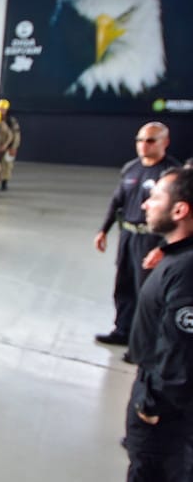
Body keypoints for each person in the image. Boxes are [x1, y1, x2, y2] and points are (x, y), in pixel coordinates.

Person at [123, 167, 193, 482]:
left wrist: (151, 404)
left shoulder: (185, 272)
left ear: (179, 210)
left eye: (155, 198)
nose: (145, 204)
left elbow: (180, 348)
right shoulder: (178, 257)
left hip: (164, 417)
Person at [94, 122, 179, 348]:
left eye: (150, 140)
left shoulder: (171, 175)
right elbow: (117, 200)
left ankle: (142, 343)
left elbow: (176, 216)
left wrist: (164, 247)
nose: (143, 145)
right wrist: (104, 229)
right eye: (140, 140)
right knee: (124, 285)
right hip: (128, 235)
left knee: (147, 292)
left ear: (165, 142)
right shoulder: (131, 168)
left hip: (152, 238)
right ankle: (122, 330)